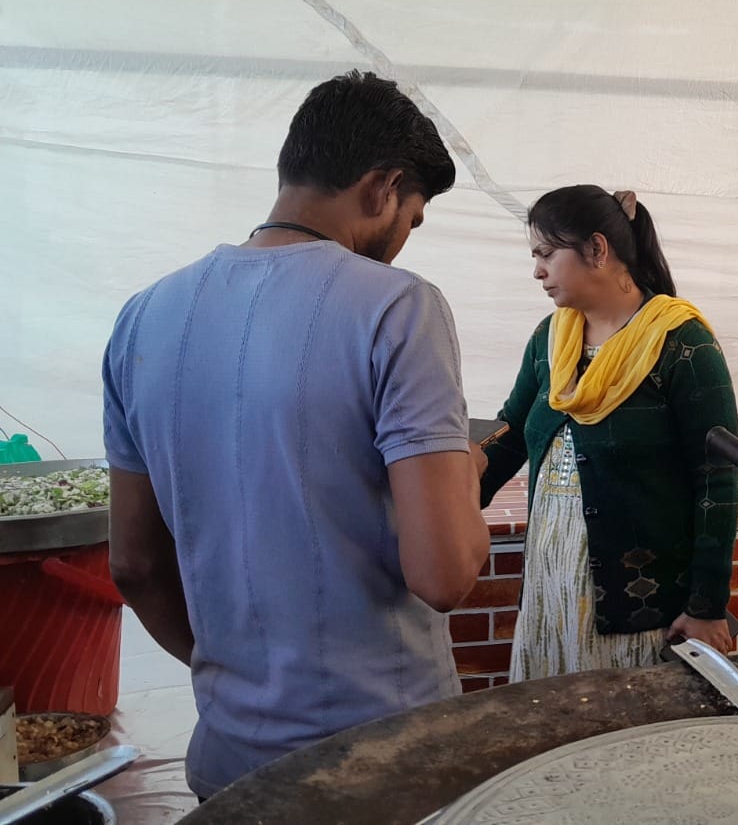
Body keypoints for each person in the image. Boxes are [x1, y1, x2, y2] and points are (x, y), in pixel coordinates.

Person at [102, 71, 491, 798]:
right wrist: (463, 471)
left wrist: (240, 682)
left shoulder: (143, 316)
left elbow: (135, 565)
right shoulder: (398, 307)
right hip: (385, 763)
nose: (401, 247)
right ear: (383, 187)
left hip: (229, 760)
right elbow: (444, 575)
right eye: (410, 221)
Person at [479, 185, 738, 680]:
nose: (537, 271)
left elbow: (717, 477)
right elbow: (510, 435)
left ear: (597, 249)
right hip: (550, 592)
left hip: (636, 606)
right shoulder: (550, 339)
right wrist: (448, 501)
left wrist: (707, 606)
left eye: (546, 254)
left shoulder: (682, 344)